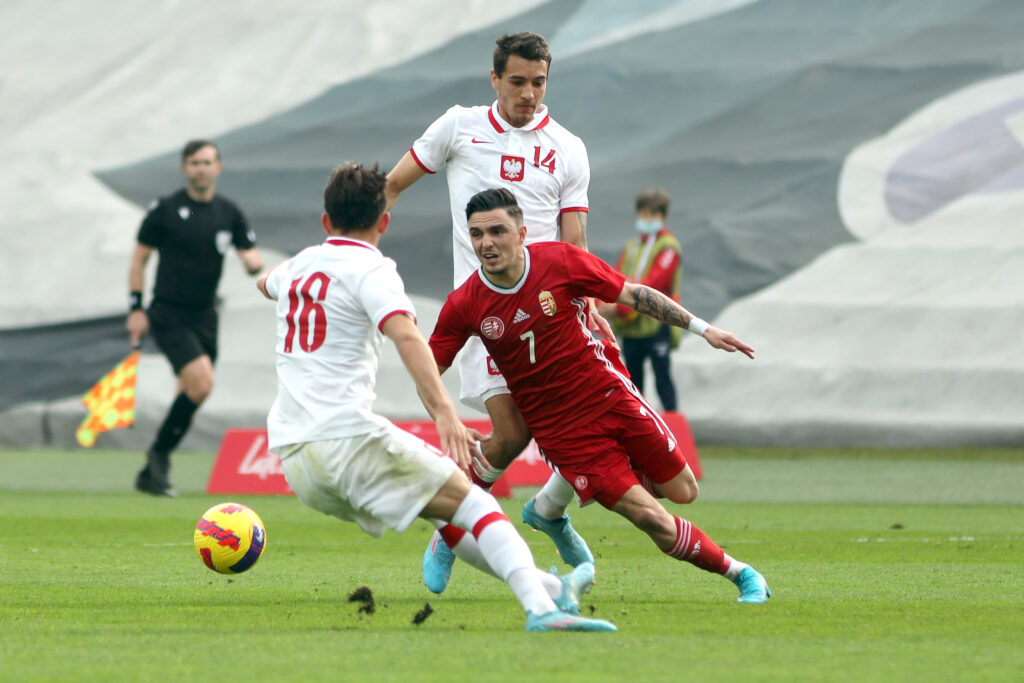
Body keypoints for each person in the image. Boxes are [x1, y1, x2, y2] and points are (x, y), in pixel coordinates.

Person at [255, 163, 616, 632]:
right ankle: (543, 613)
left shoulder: (298, 267)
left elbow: (265, 282)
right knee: (480, 506)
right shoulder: (373, 269)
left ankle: (550, 590)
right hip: (345, 440)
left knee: (446, 513)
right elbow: (407, 338)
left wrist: (301, 263)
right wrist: (445, 412)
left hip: (296, 461)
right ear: (384, 220)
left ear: (326, 222)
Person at [427, 189, 771, 604]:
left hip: (609, 393)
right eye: (477, 235)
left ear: (521, 232)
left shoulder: (559, 260)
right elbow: (426, 368)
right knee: (649, 516)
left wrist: (703, 329)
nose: (486, 243)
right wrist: (445, 415)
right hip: (563, 432)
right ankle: (742, 574)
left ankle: (548, 506)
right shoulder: (465, 304)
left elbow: (631, 294)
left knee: (683, 491)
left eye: (497, 231)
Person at [386, 31, 609, 592]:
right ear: (495, 80)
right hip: (485, 316)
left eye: (538, 82)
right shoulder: (459, 126)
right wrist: (361, 246)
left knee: (588, 427)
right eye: (517, 81)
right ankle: (449, 531)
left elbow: (574, 239)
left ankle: (549, 512)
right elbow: (392, 184)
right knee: (510, 436)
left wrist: (590, 303)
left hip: (554, 314)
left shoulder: (567, 147)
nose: (528, 94)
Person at [127, 139, 264, 496]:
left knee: (192, 391)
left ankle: (151, 472)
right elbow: (139, 260)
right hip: (168, 311)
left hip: (206, 315)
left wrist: (253, 264)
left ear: (218, 167)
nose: (201, 168)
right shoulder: (166, 210)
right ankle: (158, 457)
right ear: (184, 168)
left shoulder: (228, 212)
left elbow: (250, 254)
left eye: (207, 162)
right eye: (194, 162)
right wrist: (136, 307)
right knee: (201, 384)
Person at [600, 188, 682, 411]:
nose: (648, 219)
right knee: (633, 384)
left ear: (662, 217)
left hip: (657, 323)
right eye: (644, 214)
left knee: (662, 378)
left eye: (653, 215)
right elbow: (615, 279)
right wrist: (605, 302)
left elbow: (653, 285)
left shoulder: (668, 247)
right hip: (630, 328)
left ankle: (674, 432)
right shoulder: (631, 246)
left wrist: (618, 309)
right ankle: (642, 433)